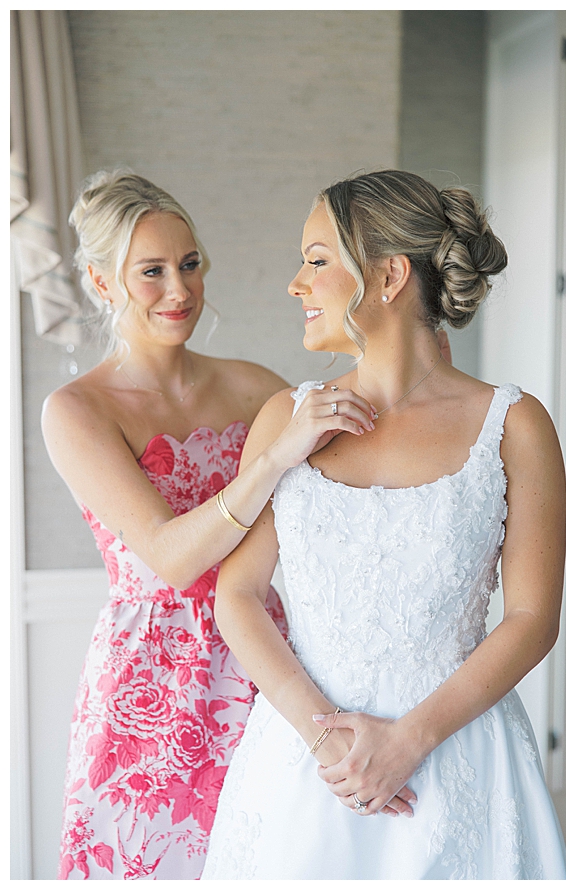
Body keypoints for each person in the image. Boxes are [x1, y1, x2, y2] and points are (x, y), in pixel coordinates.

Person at [202, 170, 566, 880]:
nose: (296, 284)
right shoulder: (288, 420)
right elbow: (238, 596)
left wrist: (409, 741)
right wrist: (324, 741)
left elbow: (532, 617)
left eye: (316, 260)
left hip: (460, 760)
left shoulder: (515, 425)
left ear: (390, 275)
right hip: (304, 772)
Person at [42, 170, 381, 879]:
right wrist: (271, 460)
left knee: (275, 856)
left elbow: (344, 455)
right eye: (152, 272)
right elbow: (169, 558)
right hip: (148, 680)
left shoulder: (256, 386)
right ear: (104, 284)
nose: (181, 290)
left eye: (190, 263)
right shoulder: (77, 410)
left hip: (264, 654)